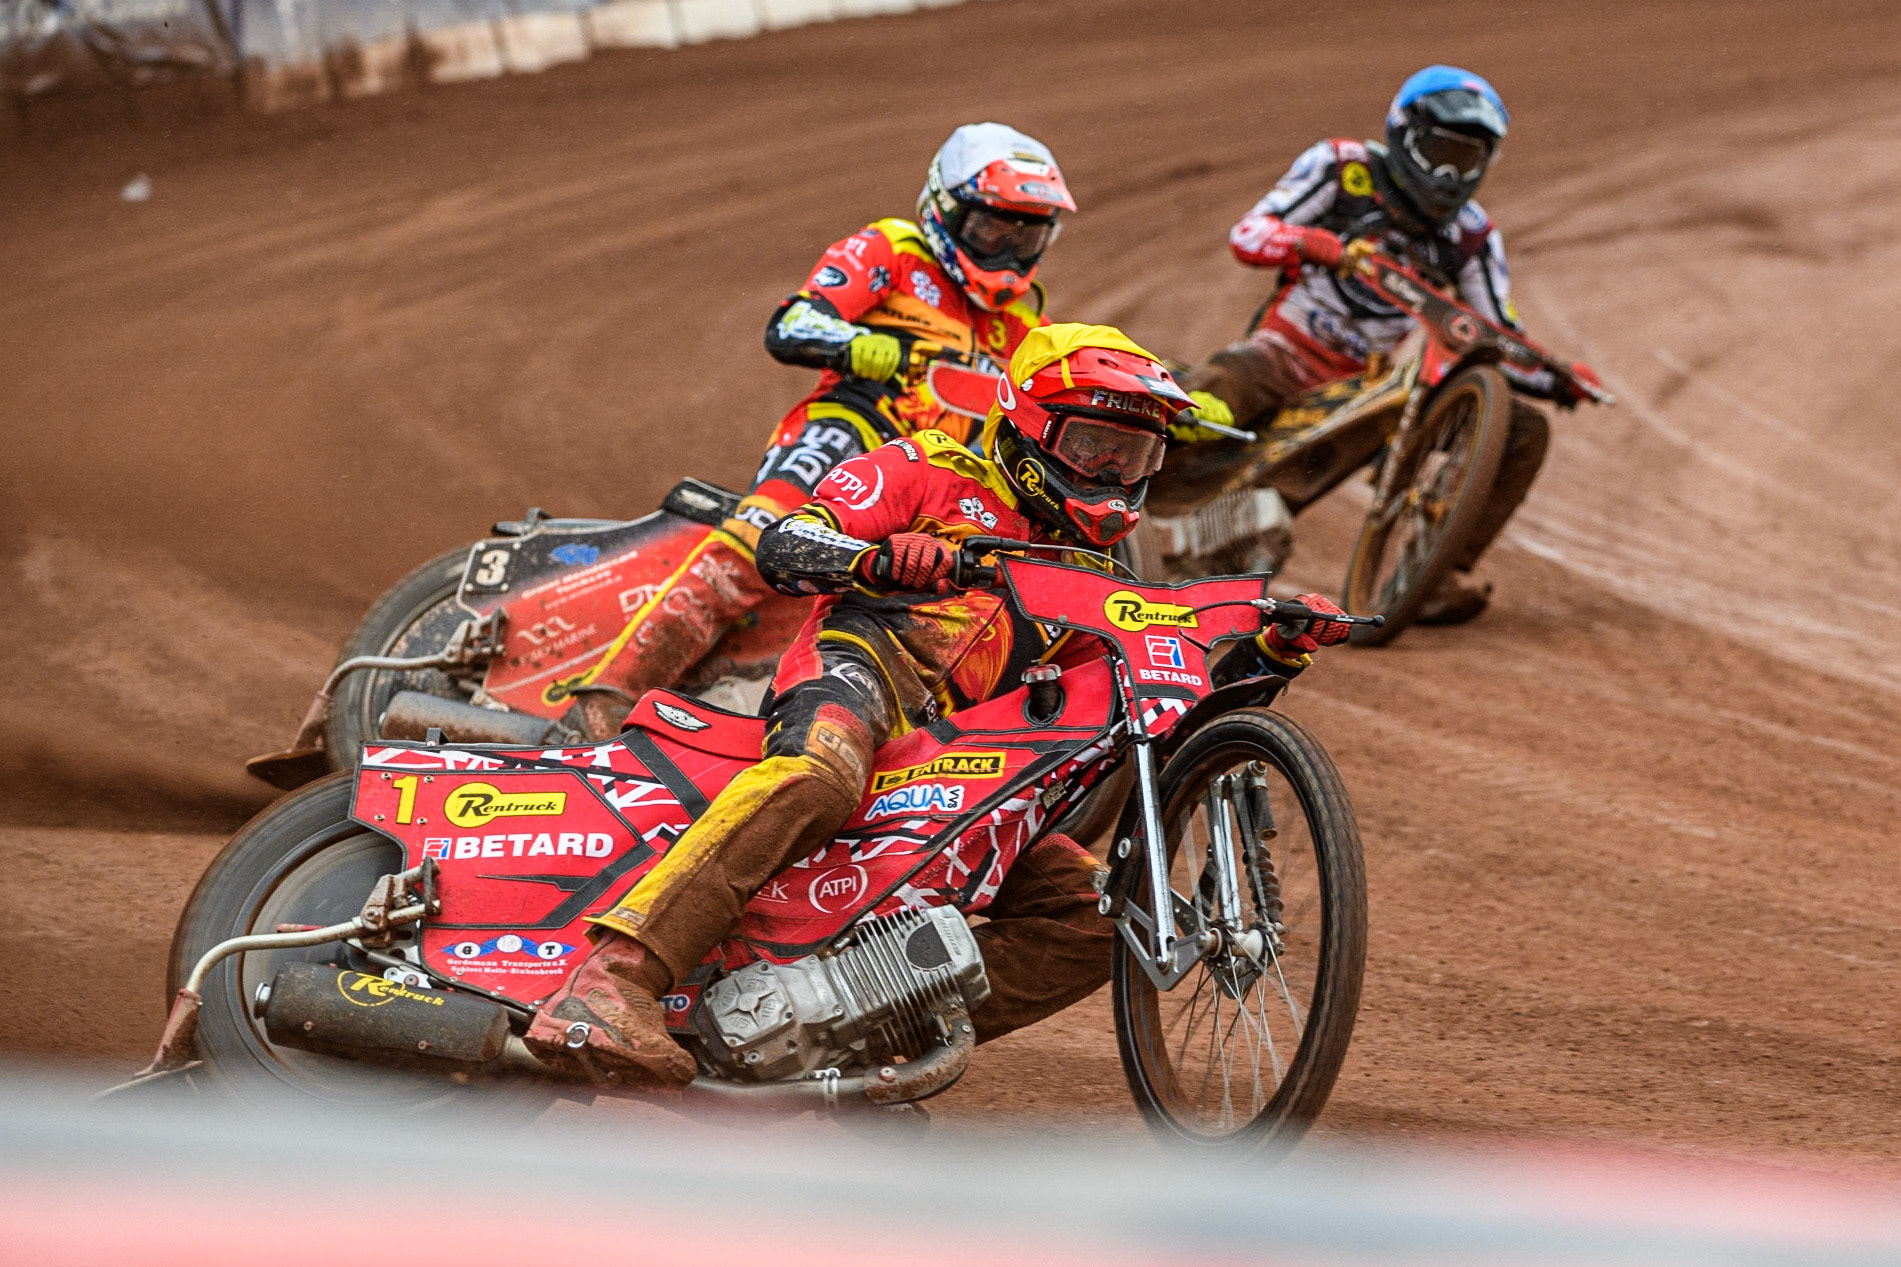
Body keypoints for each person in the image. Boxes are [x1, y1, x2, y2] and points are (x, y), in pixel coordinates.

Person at [523, 324, 1352, 1086]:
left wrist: (1269, 656)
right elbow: (783, 544)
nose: (1108, 475)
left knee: (1104, 920)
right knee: (819, 774)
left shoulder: (1098, 581)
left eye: (1132, 458)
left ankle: (850, 1049)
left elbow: (1166, 726)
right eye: (1091, 446)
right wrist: (877, 561)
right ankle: (612, 980)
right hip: (860, 671)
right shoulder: (925, 465)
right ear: (1026, 427)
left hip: (968, 758)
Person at [571, 122, 1081, 738]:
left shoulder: (1024, 322)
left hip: (927, 480)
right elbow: (790, 323)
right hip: (847, 430)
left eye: (1026, 232)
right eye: (993, 227)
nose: (1006, 248)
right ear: (946, 210)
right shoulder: (893, 250)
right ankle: (605, 703)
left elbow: (1063, 394)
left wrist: (1177, 405)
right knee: (753, 541)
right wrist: (858, 343)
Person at [1181, 66, 1599, 625]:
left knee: (1524, 430)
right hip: (1284, 350)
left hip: (1374, 388)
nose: (1452, 174)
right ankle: (1103, 493)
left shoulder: (1472, 235)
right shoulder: (1341, 167)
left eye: (1468, 159)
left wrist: (1558, 377)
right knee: (1209, 400)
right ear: (1404, 134)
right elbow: (1249, 234)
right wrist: (1316, 244)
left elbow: (1494, 336)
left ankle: (1435, 574)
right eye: (1442, 151)